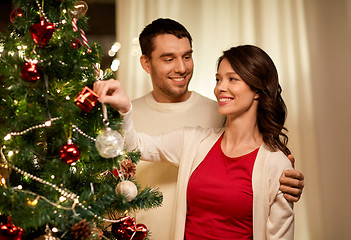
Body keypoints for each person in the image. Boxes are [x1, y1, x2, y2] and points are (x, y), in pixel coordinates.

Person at [95, 18, 303, 239]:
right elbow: (134, 145)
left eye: (232, 79)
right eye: (218, 79)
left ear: (258, 90)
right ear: (146, 63)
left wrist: (284, 173)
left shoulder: (270, 159)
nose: (221, 87)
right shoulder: (194, 140)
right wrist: (126, 109)